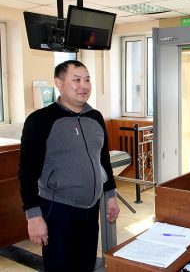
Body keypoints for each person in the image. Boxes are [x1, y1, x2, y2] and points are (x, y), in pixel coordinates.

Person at [18, 60, 120, 272]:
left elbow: (103, 160)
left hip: (91, 209)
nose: (83, 86)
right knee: (61, 267)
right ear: (59, 83)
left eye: (87, 80)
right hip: (58, 209)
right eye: (76, 80)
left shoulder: (95, 117)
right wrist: (33, 216)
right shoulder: (41, 120)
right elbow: (27, 172)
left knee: (85, 265)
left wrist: (111, 195)